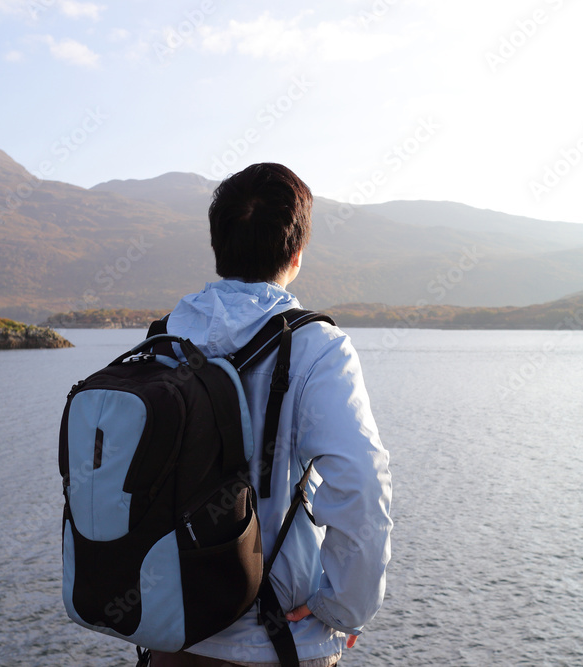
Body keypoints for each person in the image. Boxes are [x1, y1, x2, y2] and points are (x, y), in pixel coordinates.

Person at [150, 163, 393, 667]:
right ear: (297, 254)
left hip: (173, 633)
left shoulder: (163, 338)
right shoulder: (317, 347)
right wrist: (343, 608)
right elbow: (360, 485)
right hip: (277, 642)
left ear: (218, 247)